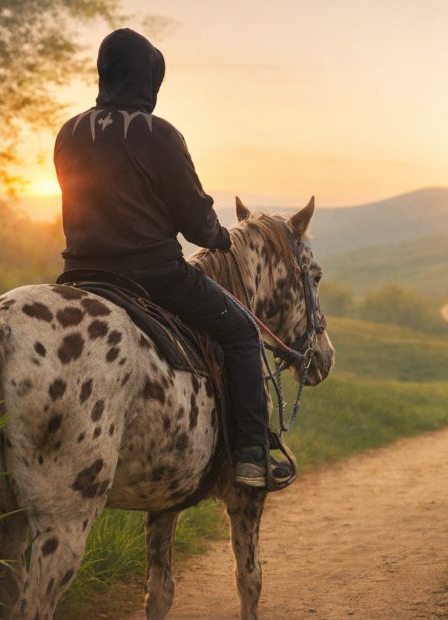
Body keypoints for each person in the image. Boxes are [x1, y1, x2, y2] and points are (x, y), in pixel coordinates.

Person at [53, 28, 290, 490]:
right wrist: (219, 236)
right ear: (148, 78)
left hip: (79, 276)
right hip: (154, 276)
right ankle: (250, 455)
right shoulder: (157, 133)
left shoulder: (69, 132)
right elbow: (195, 220)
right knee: (241, 332)